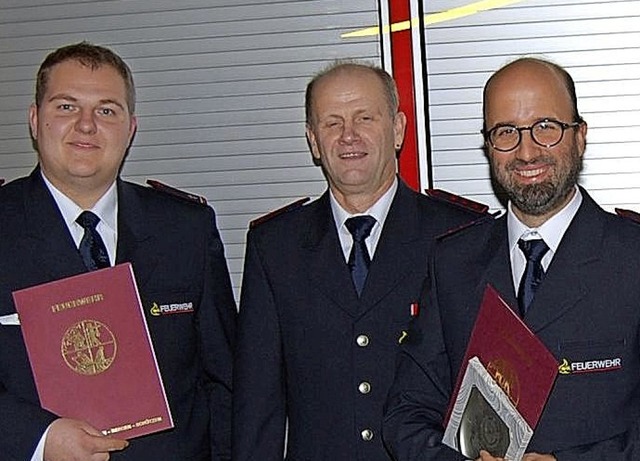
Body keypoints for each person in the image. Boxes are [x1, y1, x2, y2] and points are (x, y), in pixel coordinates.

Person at [383, 57, 640, 460]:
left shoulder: (632, 258)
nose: (527, 151)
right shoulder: (452, 263)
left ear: (580, 136)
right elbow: (406, 413)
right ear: (488, 146)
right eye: (506, 132)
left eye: (545, 128)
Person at [232, 61, 487, 461]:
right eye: (331, 123)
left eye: (364, 118)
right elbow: (256, 407)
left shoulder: (460, 236)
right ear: (313, 141)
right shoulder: (275, 247)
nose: (348, 135)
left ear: (398, 129)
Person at [0, 42, 236, 461]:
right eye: (66, 107)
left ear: (131, 129)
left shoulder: (186, 230)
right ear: (35, 121)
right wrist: (36, 438)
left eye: (107, 110)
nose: (87, 125)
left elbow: (224, 381)